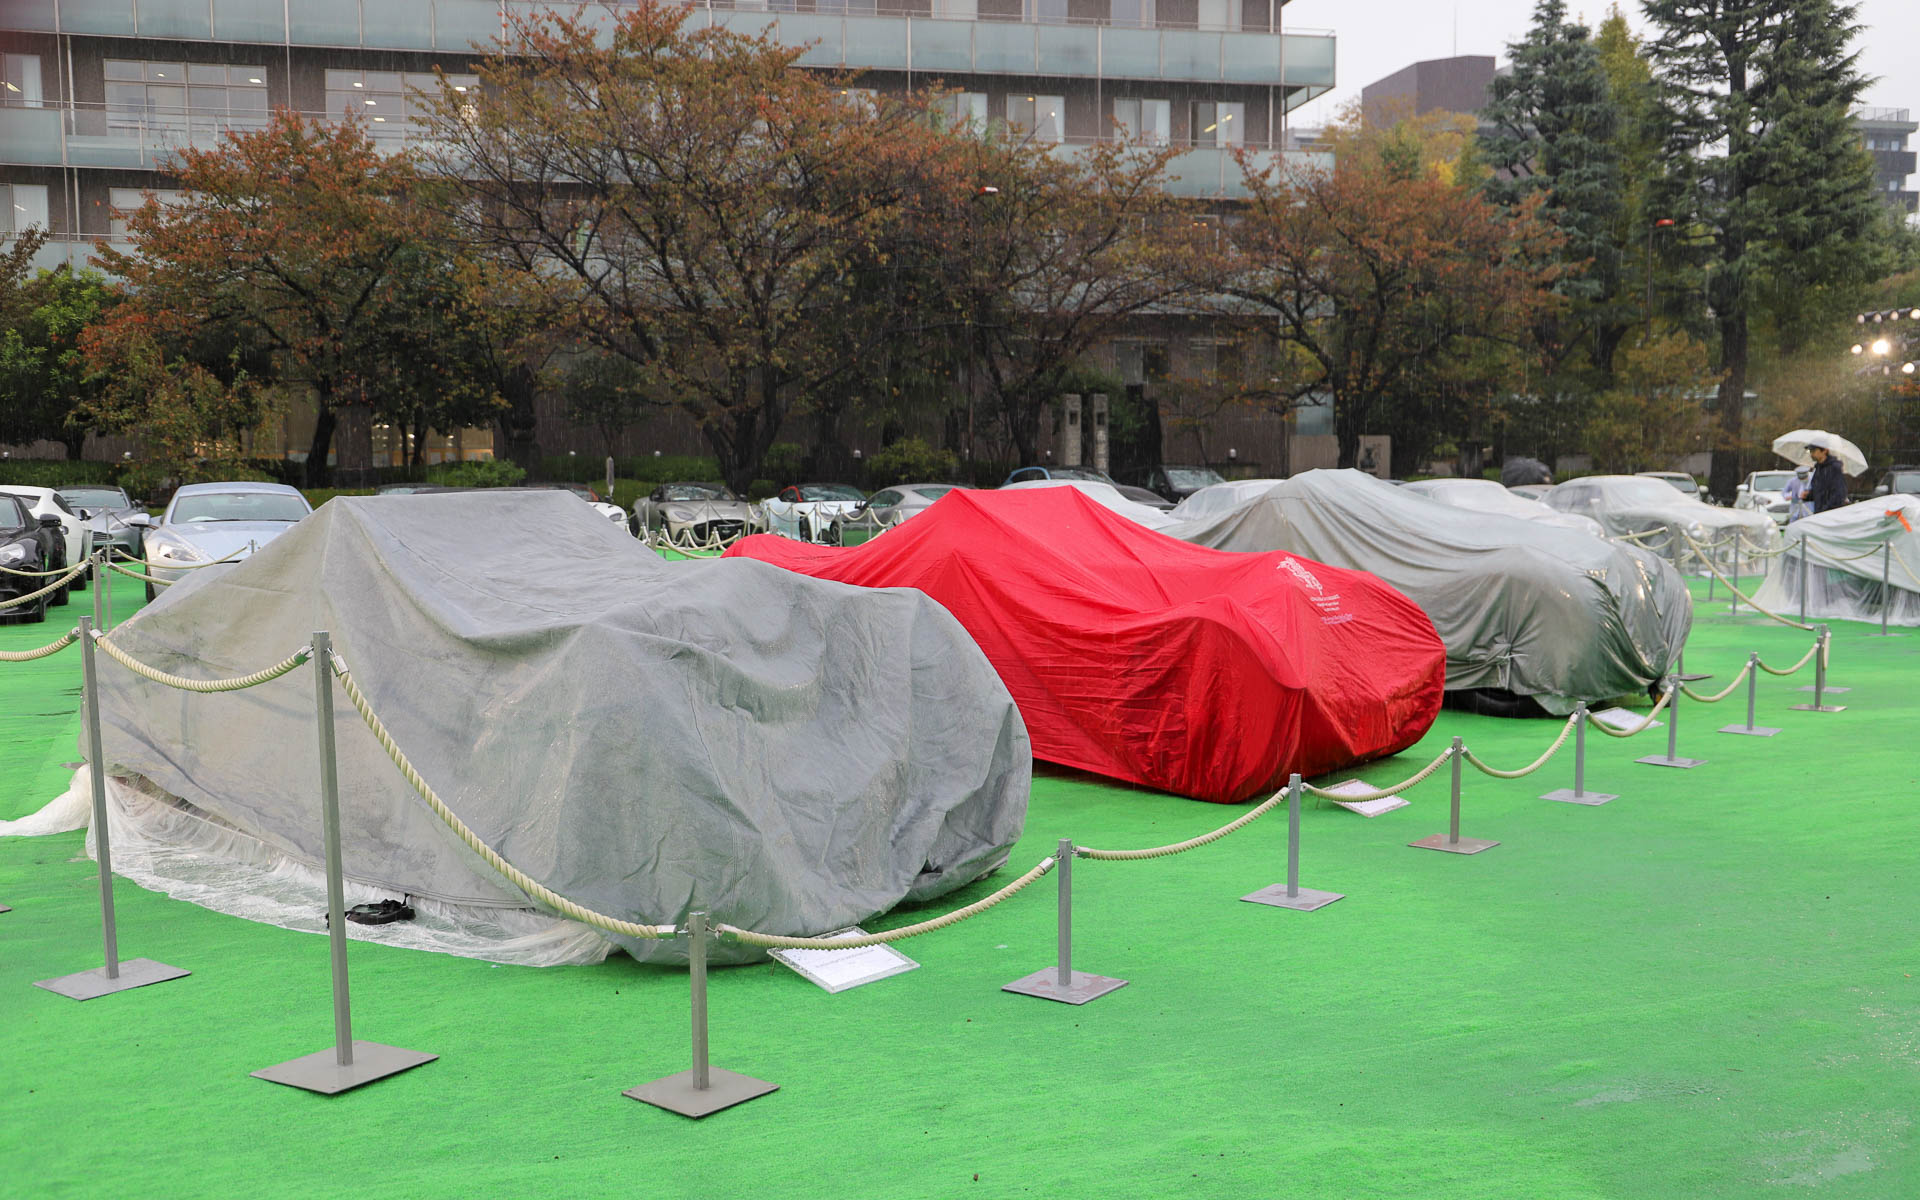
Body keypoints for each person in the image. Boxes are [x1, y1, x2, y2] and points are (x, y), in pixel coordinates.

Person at [1806, 439, 1848, 513]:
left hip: (1830, 516)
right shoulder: (1818, 468)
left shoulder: (1834, 468)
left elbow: (1839, 494)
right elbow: (1819, 491)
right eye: (1810, 451)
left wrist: (1825, 510)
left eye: (1814, 451)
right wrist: (1808, 496)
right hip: (1819, 513)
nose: (1811, 454)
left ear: (1825, 450)